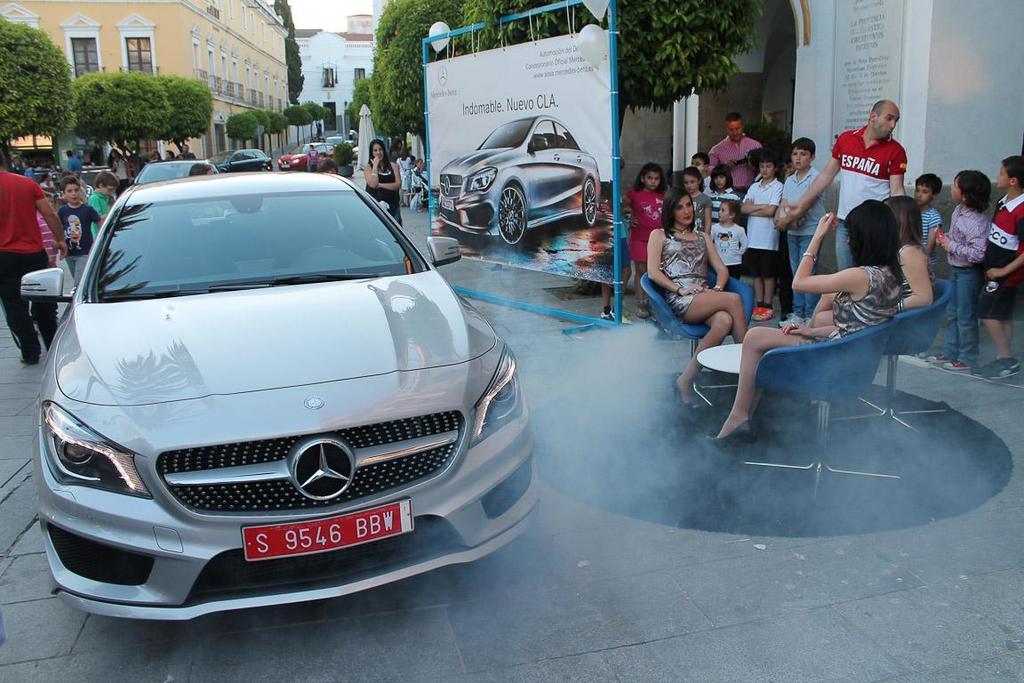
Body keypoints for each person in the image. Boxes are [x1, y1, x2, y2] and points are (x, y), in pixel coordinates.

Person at [713, 201, 904, 442]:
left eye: (851, 235)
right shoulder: (892, 275)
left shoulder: (860, 276)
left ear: (866, 238)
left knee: (754, 337)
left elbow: (798, 283)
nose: (847, 240)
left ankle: (739, 415)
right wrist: (810, 331)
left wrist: (817, 237)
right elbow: (859, 328)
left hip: (833, 362)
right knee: (764, 340)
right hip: (853, 359)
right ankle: (745, 414)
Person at [646, 187, 748, 410]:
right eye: (680, 207)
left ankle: (685, 379)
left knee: (724, 321)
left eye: (689, 205)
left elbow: (722, 269)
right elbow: (653, 272)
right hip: (679, 297)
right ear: (671, 211)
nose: (686, 211)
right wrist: (678, 289)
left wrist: (718, 288)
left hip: (704, 296)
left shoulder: (702, 236)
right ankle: (749, 369)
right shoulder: (660, 235)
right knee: (734, 301)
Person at [781, 100, 907, 271]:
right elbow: (826, 175)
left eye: (896, 121)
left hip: (874, 227)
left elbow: (897, 190)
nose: (893, 125)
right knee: (845, 277)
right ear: (873, 116)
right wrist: (802, 203)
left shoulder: (896, 151)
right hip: (845, 223)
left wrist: (902, 226)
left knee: (870, 278)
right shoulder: (846, 139)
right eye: (889, 118)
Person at [0, 151, 68, 365]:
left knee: (13, 305)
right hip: (33, 254)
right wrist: (60, 239)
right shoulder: (26, 184)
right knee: (43, 303)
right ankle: (53, 348)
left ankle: (30, 352)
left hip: (3, 257)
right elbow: (49, 214)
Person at [929, 170, 991, 371]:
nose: (952, 189)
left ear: (965, 194)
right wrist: (945, 238)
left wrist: (951, 246)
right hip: (955, 269)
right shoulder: (957, 211)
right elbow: (957, 238)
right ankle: (950, 351)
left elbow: (978, 254)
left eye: (955, 185)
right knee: (953, 313)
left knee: (966, 315)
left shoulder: (977, 222)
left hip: (969, 273)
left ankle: (967, 357)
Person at [975, 156, 1024, 379]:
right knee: (1002, 315)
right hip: (995, 269)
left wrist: (1004, 271)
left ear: (1013, 180)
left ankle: (1006, 358)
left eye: (1002, 173)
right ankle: (1003, 359)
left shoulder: (1021, 211)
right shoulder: (1004, 201)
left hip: (1006, 274)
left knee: (986, 313)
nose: (998, 176)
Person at [777, 138, 826, 324]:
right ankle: (798, 314)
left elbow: (807, 204)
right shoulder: (789, 180)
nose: (798, 158)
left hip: (810, 231)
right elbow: (784, 204)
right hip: (792, 232)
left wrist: (785, 220)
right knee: (796, 272)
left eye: (803, 154)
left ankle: (810, 315)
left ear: (812, 157)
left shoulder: (816, 177)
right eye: (795, 153)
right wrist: (779, 218)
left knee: (809, 272)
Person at [618, 162, 666, 319]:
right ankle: (642, 303)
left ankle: (654, 302)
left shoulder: (664, 195)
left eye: (656, 178)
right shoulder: (633, 194)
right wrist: (628, 219)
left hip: (659, 238)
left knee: (657, 271)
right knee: (641, 270)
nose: (653, 181)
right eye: (649, 178)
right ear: (643, 178)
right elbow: (620, 207)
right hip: (639, 238)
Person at [741, 151, 784, 321]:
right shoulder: (754, 186)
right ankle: (759, 304)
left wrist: (755, 207)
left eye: (768, 166)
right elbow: (743, 208)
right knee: (756, 274)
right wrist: (762, 207)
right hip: (752, 238)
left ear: (774, 168)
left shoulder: (778, 186)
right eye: (762, 166)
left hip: (769, 239)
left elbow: (771, 211)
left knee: (768, 274)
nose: (765, 170)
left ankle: (768, 304)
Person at [885, 196, 933, 311]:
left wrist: (885, 309)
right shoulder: (900, 248)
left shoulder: (909, 252)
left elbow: (925, 298)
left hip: (902, 320)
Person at [57, 176, 101, 284]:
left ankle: (76, 298)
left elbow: (100, 224)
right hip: (69, 252)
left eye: (76, 190)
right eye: (70, 191)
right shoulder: (62, 211)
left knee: (79, 282)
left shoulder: (88, 210)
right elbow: (58, 228)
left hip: (85, 252)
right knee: (77, 279)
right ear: (64, 193)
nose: (74, 194)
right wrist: (58, 243)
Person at [708, 112, 762, 194]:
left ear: (742, 126)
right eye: (731, 129)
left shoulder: (755, 145)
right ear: (726, 129)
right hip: (728, 193)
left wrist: (753, 164)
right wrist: (724, 167)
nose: (735, 132)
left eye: (737, 128)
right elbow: (708, 170)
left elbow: (764, 167)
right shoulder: (717, 149)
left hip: (751, 191)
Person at [364, 139, 403, 225]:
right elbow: (373, 184)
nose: (378, 152)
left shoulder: (393, 166)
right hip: (375, 207)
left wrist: (380, 185)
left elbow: (398, 184)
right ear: (372, 152)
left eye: (380, 149)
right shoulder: (368, 168)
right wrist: (375, 166)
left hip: (393, 205)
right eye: (375, 150)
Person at [710, 199, 747, 281]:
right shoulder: (714, 228)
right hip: (718, 264)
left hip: (734, 263)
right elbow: (710, 243)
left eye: (723, 210)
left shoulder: (739, 229)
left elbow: (745, 244)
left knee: (734, 285)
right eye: (719, 209)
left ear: (731, 215)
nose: (719, 212)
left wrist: (739, 253)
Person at [915, 172, 942, 266]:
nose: (919, 195)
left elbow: (930, 247)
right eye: (917, 190)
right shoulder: (911, 212)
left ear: (934, 195)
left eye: (925, 192)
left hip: (925, 263)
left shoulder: (934, 218)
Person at [86, 171, 118, 238]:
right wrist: (110, 213)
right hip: (98, 233)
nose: (111, 192)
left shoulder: (105, 197)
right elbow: (97, 218)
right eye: (109, 190)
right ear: (101, 185)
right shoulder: (94, 198)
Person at [681, 166, 712, 234]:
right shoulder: (681, 198)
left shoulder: (706, 199)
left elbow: (708, 222)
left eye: (692, 182)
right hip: (684, 235)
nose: (689, 185)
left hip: (700, 236)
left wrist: (706, 238)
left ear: (699, 181)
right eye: (686, 183)